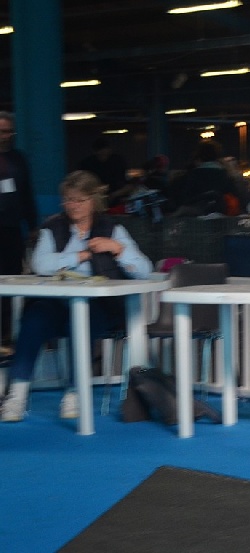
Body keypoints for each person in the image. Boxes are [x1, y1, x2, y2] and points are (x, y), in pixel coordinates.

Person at [0, 171, 153, 422]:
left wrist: (118, 249)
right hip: (56, 303)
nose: (73, 205)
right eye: (69, 200)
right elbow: (41, 264)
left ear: (93, 200)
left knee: (82, 320)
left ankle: (74, 391)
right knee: (34, 318)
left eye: (80, 200)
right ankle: (16, 394)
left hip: (98, 306)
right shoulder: (52, 228)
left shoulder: (113, 229)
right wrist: (79, 256)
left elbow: (144, 270)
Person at [0, 111, 37, 347]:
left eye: (8, 132)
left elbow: (27, 193)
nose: (5, 136)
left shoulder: (18, 159)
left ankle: (7, 333)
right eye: (1, 132)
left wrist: (33, 226)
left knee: (11, 280)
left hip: (12, 230)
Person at [173, 140, 245, 216]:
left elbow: (183, 198)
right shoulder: (226, 176)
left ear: (199, 156)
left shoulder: (190, 176)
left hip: (195, 217)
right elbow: (237, 198)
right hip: (221, 217)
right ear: (217, 156)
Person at [78, 136, 131, 208]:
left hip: (117, 200)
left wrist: (114, 195)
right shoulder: (87, 164)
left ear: (110, 150)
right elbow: (82, 185)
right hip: (95, 200)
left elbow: (129, 186)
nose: (103, 156)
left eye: (106, 153)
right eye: (100, 153)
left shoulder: (118, 161)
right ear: (95, 152)